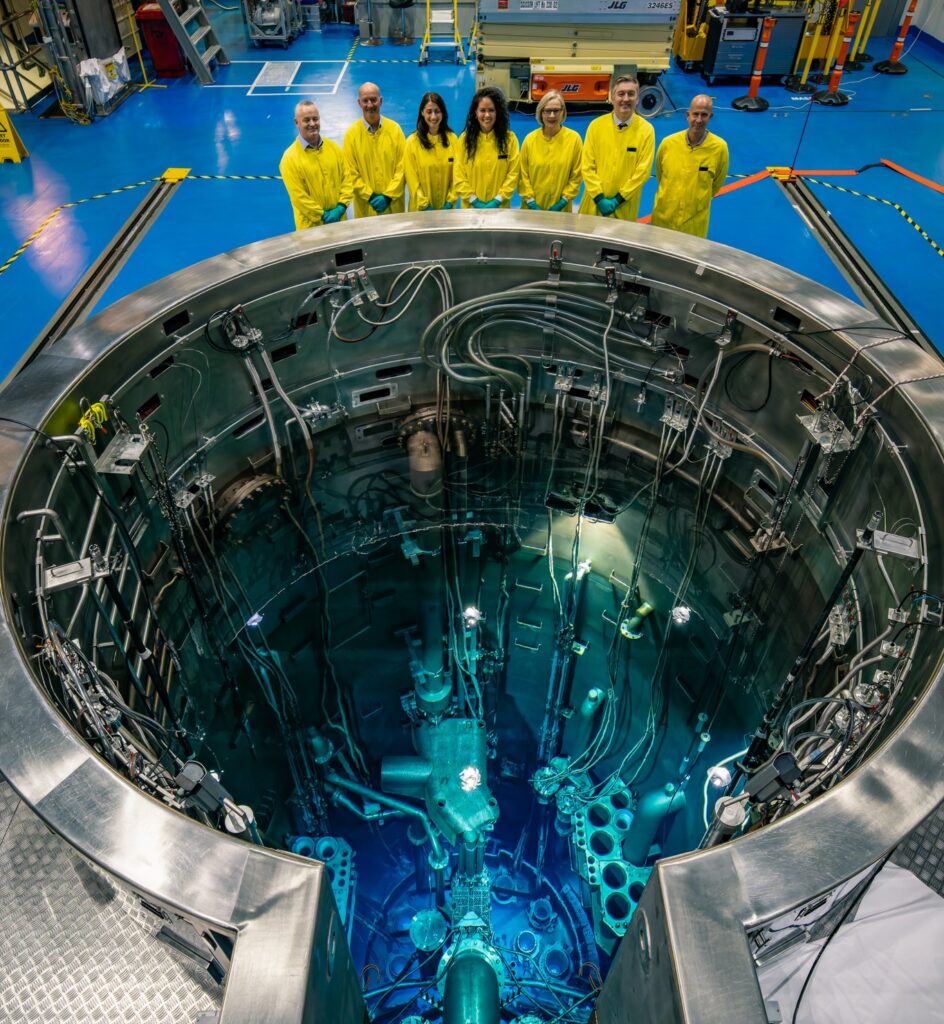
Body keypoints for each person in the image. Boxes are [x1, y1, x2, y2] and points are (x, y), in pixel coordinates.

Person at [650, 94, 729, 238]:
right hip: (663, 218)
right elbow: (660, 175)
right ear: (688, 115)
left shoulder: (719, 148)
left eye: (704, 115)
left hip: (694, 225)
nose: (698, 120)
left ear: (710, 117)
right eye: (695, 114)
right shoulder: (668, 144)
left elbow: (716, 184)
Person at [578, 75, 654, 222]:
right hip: (593, 205)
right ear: (612, 98)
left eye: (631, 94)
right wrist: (599, 198)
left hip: (623, 208)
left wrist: (617, 200)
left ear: (637, 98)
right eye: (621, 94)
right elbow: (587, 166)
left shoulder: (646, 131)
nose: (625, 99)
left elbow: (643, 172)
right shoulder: (596, 126)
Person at [279, 100, 352, 230]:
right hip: (311, 230)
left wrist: (341, 207)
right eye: (307, 120)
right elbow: (299, 198)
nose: (312, 124)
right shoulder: (289, 159)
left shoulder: (334, 148)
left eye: (315, 119)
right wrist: (323, 215)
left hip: (340, 223)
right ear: (297, 122)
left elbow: (347, 180)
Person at [343, 82, 406, 218]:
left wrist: (388, 196)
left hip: (394, 208)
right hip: (366, 210)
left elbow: (403, 167)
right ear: (359, 103)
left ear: (381, 101)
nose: (370, 105)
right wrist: (370, 197)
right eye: (365, 100)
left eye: (373, 100)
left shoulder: (395, 130)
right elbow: (350, 173)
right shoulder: (351, 135)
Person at [454, 86, 519, 209]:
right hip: (471, 209)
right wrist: (474, 200)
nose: (487, 115)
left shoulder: (510, 139)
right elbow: (459, 175)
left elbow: (513, 173)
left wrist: (498, 200)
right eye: (482, 110)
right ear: (475, 113)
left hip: (500, 208)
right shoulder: (464, 140)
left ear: (497, 112)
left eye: (491, 110)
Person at [518, 90, 582, 213]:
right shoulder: (529, 140)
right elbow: (522, 175)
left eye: (556, 111)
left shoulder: (574, 140)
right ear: (541, 113)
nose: (552, 115)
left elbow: (577, 175)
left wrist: (563, 201)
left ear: (563, 112)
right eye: (547, 111)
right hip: (531, 210)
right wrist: (531, 202)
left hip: (561, 210)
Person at [404, 92, 458, 211]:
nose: (433, 117)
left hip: (447, 211)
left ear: (442, 113)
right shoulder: (412, 142)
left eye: (437, 111)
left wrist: (450, 201)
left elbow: (457, 175)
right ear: (422, 113)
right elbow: (412, 180)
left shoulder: (453, 140)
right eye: (429, 112)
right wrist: (424, 205)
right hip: (420, 211)